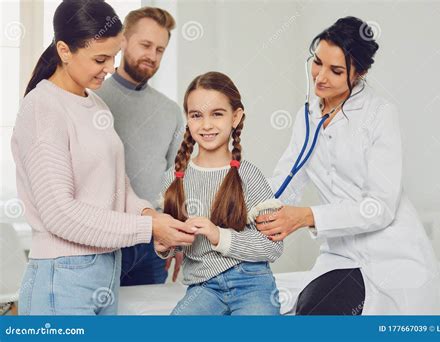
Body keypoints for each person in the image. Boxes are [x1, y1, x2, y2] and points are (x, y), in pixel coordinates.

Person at [11, 0, 194, 315]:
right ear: (65, 51)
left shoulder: (96, 106)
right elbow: (61, 215)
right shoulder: (43, 108)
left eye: (114, 57)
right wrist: (148, 229)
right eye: (100, 58)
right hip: (62, 278)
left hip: (104, 272)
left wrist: (155, 217)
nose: (110, 68)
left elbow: (119, 190)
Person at [256, 16, 440, 315]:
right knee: (308, 311)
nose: (320, 77)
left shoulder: (380, 114)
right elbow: (282, 184)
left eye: (336, 71)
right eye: (317, 62)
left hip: (392, 255)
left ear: (360, 73)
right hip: (341, 256)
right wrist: (244, 209)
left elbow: (380, 207)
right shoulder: (306, 117)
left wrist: (306, 217)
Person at [156, 72, 283, 315]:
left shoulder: (250, 176)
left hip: (252, 283)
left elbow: (272, 246)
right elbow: (172, 245)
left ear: (235, 117)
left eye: (217, 114)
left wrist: (218, 236)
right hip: (203, 287)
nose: (206, 125)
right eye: (196, 115)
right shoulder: (172, 179)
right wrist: (164, 245)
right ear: (188, 120)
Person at [95, 7, 184, 285]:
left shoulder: (170, 111)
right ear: (122, 41)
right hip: (102, 240)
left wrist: (176, 237)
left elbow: (177, 179)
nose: (152, 56)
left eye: (160, 49)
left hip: (151, 244)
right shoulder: (93, 98)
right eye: (145, 45)